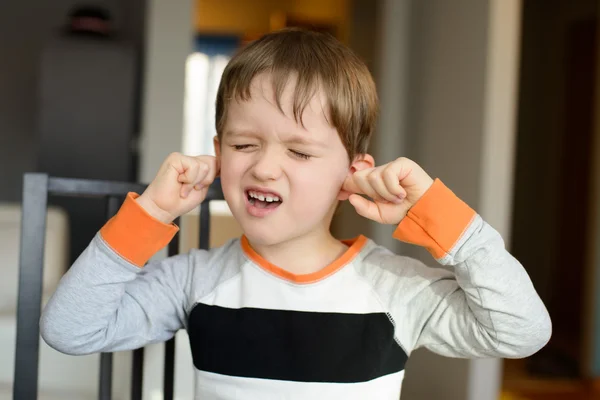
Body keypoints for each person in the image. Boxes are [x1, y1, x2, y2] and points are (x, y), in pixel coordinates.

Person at [40, 28, 551, 399]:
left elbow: (522, 332)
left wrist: (441, 216)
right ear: (220, 153)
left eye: (300, 153)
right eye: (244, 144)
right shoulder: (194, 280)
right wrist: (149, 213)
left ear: (351, 173)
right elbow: (70, 329)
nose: (264, 167)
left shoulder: (396, 289)